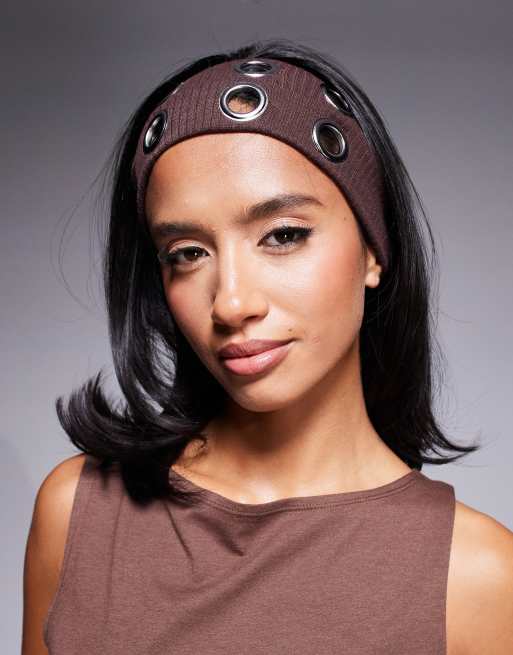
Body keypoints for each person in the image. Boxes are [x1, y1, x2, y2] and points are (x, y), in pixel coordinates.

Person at [22, 38, 513, 654]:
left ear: (372, 247)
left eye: (282, 235)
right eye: (188, 253)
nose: (231, 303)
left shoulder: (477, 579)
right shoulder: (77, 514)